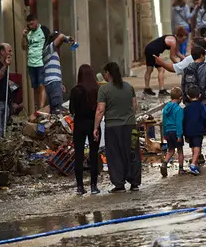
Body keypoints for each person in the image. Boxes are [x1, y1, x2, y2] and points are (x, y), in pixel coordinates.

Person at [95, 62, 139, 192]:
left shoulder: (104, 90)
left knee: (115, 155)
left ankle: (119, 184)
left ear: (108, 73)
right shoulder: (129, 87)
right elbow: (134, 106)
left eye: (105, 72)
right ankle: (134, 183)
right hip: (131, 126)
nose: (104, 75)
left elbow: (100, 110)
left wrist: (95, 127)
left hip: (113, 127)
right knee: (132, 153)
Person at [70, 64, 102, 195]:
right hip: (93, 123)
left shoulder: (75, 90)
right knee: (93, 154)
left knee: (79, 154)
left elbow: (72, 109)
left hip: (79, 124)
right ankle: (94, 186)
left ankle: (80, 186)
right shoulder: (97, 89)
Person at [22, 14, 51, 119]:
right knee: (34, 86)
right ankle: (36, 107)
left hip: (41, 62)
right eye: (28, 25)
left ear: (36, 21)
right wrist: (24, 36)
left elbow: (50, 42)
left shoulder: (43, 29)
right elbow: (24, 47)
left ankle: (41, 107)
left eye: (32, 23)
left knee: (41, 84)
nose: (31, 26)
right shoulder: (28, 33)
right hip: (31, 63)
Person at [143, 28, 187, 96]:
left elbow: (177, 53)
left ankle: (147, 88)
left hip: (150, 48)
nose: (183, 41)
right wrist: (179, 65)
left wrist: (186, 59)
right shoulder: (173, 42)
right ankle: (161, 90)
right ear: (179, 36)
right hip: (152, 50)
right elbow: (172, 57)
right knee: (161, 70)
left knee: (149, 69)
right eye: (183, 39)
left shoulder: (175, 40)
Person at [41, 31, 73, 114]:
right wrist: (67, 39)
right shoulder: (48, 50)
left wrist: (60, 83)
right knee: (58, 110)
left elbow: (52, 71)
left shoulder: (52, 53)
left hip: (53, 83)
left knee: (54, 109)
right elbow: (61, 36)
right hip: (54, 83)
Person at [183, 85, 206, 175]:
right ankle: (193, 164)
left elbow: (184, 120)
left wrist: (184, 132)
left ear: (188, 96)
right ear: (199, 95)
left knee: (192, 146)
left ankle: (194, 162)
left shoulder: (186, 108)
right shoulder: (201, 106)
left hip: (188, 130)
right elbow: (204, 117)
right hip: (198, 129)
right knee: (197, 147)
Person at [161, 87, 185, 177]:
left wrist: (164, 134)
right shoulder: (178, 110)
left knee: (170, 150)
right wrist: (179, 135)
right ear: (180, 98)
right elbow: (179, 123)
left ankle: (164, 163)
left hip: (168, 131)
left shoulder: (165, 109)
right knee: (180, 151)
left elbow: (164, 122)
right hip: (176, 131)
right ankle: (181, 169)